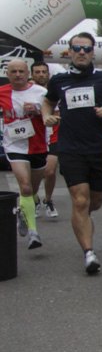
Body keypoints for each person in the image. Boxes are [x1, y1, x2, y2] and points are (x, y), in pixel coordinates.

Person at [42, 32, 102, 273]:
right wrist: (46, 116)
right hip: (70, 149)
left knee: (94, 203)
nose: (81, 52)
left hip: (98, 149)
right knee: (80, 201)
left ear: (93, 53)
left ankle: (82, 221)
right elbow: (48, 102)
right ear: (69, 52)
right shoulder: (59, 80)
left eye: (86, 49)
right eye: (77, 48)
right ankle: (89, 253)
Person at [1, 59, 48, 249]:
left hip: (38, 146)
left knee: (33, 190)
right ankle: (33, 234)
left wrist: (37, 111)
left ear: (28, 73)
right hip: (14, 146)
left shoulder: (40, 92)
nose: (18, 74)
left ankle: (22, 210)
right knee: (26, 188)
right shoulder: (2, 92)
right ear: (7, 74)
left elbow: (54, 115)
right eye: (13, 71)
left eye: (21, 71)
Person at [30, 62, 60, 219]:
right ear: (32, 74)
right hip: (34, 136)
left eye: (43, 72)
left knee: (49, 171)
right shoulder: (28, 91)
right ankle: (35, 200)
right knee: (33, 174)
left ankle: (48, 200)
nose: (41, 74)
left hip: (54, 135)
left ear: (48, 74)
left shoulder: (55, 89)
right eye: (37, 72)